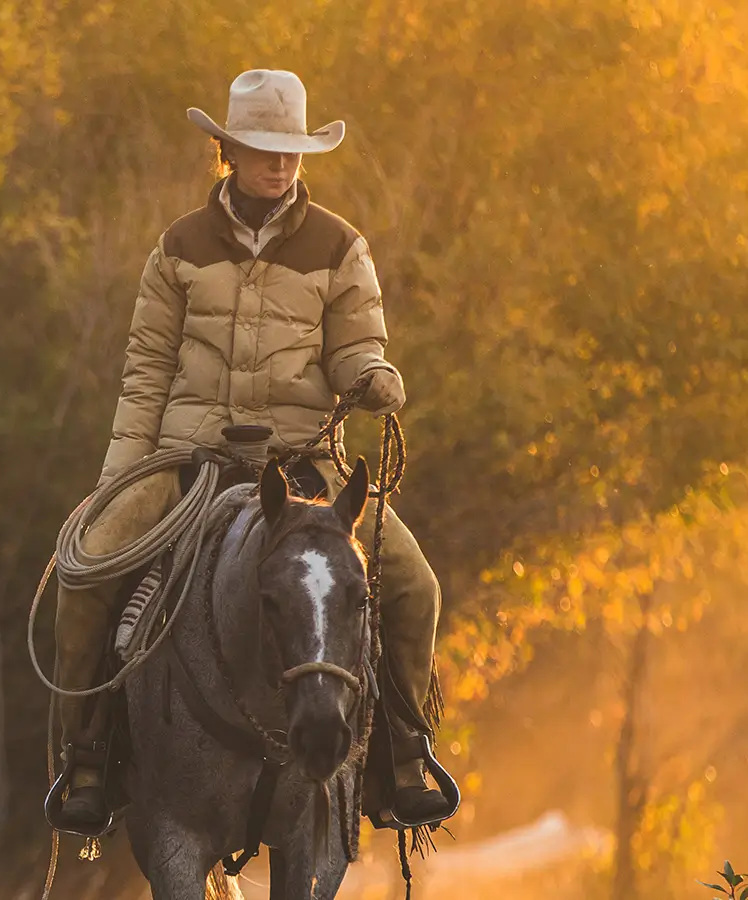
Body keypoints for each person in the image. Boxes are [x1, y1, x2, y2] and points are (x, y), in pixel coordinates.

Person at [49, 69, 453, 832]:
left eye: (291, 151)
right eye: (263, 150)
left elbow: (356, 346)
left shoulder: (341, 247)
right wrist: (117, 482)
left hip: (307, 463)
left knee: (414, 587)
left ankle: (402, 753)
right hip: (184, 462)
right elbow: (145, 372)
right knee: (83, 573)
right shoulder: (177, 248)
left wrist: (371, 374)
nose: (280, 164)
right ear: (228, 150)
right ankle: (87, 758)